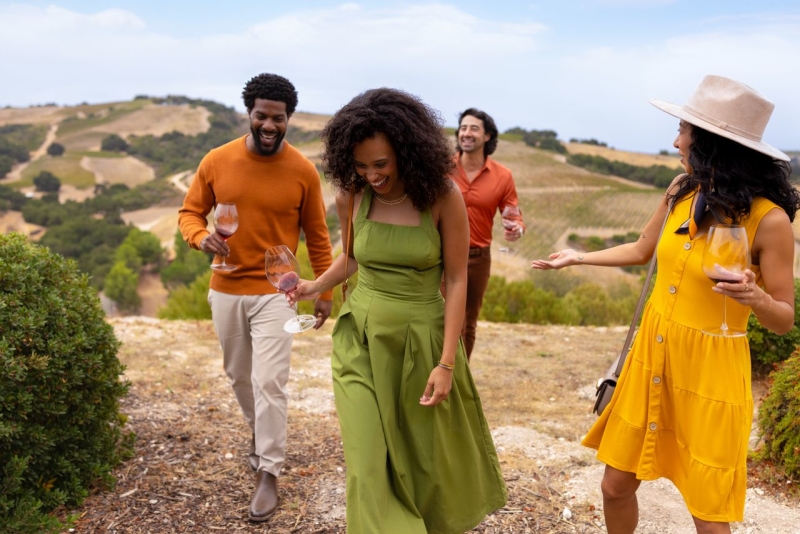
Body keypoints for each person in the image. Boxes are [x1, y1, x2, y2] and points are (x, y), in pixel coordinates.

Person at [532, 75, 798, 533]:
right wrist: (578, 257)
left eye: (684, 131)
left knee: (709, 515)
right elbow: (641, 249)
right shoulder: (682, 189)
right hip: (652, 356)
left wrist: (754, 297)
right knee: (615, 486)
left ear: (712, 144)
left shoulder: (768, 220)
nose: (676, 140)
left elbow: (784, 319)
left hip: (712, 375)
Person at [287, 88, 507, 533]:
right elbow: (352, 257)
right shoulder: (351, 195)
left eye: (381, 164)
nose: (371, 175)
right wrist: (316, 285)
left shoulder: (443, 197)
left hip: (419, 341)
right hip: (359, 340)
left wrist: (447, 362)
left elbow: (459, 278)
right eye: (361, 165)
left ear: (407, 151)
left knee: (419, 463)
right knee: (367, 464)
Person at [178, 73, 333, 522]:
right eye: (262, 116)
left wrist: (324, 290)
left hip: (277, 293)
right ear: (249, 113)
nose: (270, 125)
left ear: (289, 119)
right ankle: (259, 433)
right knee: (239, 376)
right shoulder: (217, 160)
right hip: (225, 287)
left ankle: (269, 469)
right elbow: (190, 211)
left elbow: (318, 236)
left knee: (271, 381)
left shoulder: (303, 170)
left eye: (278, 118)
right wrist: (199, 236)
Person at [450, 108, 526, 360]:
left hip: (477, 259)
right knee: (440, 320)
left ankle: (460, 382)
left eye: (473, 128)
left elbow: (512, 214)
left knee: (467, 325)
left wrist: (517, 228)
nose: (466, 133)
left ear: (487, 136)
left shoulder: (503, 176)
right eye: (463, 128)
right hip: (440, 256)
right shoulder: (442, 167)